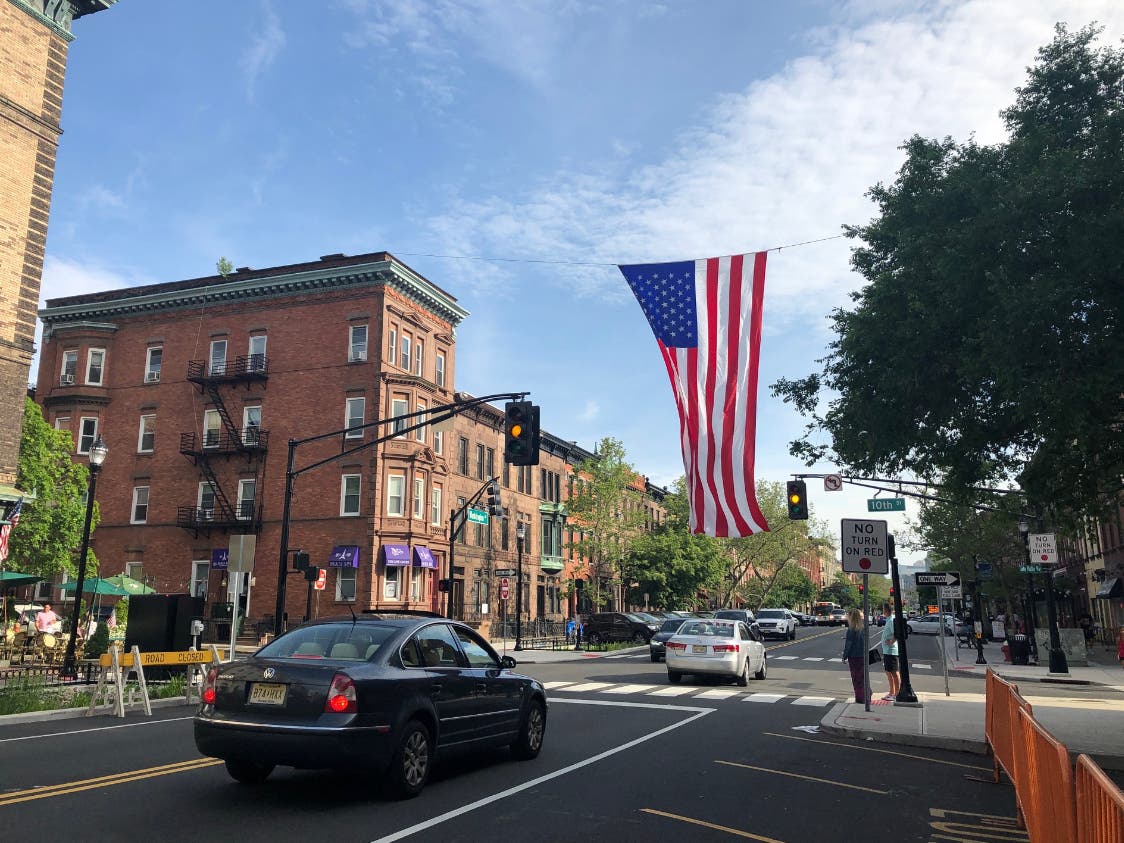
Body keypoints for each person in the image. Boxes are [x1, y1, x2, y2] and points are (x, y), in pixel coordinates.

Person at [842, 608, 868, 703]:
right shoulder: (863, 628)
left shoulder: (851, 630)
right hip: (863, 655)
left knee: (856, 678)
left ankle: (860, 697)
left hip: (854, 656)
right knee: (862, 677)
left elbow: (848, 645)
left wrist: (844, 656)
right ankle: (867, 693)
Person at [880, 602, 901, 702]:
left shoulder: (891, 620)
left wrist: (891, 642)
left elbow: (896, 633)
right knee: (888, 672)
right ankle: (891, 692)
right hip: (887, 651)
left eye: (883, 609)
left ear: (886, 610)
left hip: (891, 651)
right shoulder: (888, 620)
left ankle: (897, 693)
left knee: (894, 672)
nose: (883, 611)